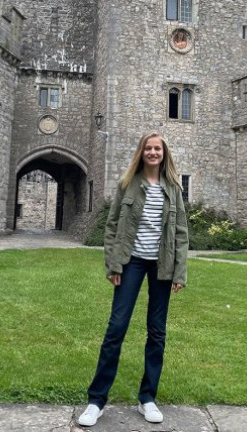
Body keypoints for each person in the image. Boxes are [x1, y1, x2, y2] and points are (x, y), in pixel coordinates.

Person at [78, 131, 189, 427]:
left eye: (158, 149)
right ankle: (96, 401)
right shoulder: (128, 185)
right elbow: (112, 226)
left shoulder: (174, 188)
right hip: (131, 263)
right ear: (141, 152)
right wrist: (113, 264)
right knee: (116, 328)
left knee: (157, 332)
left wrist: (180, 272)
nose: (153, 153)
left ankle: (147, 399)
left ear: (164, 153)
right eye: (148, 148)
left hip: (162, 266)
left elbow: (181, 233)